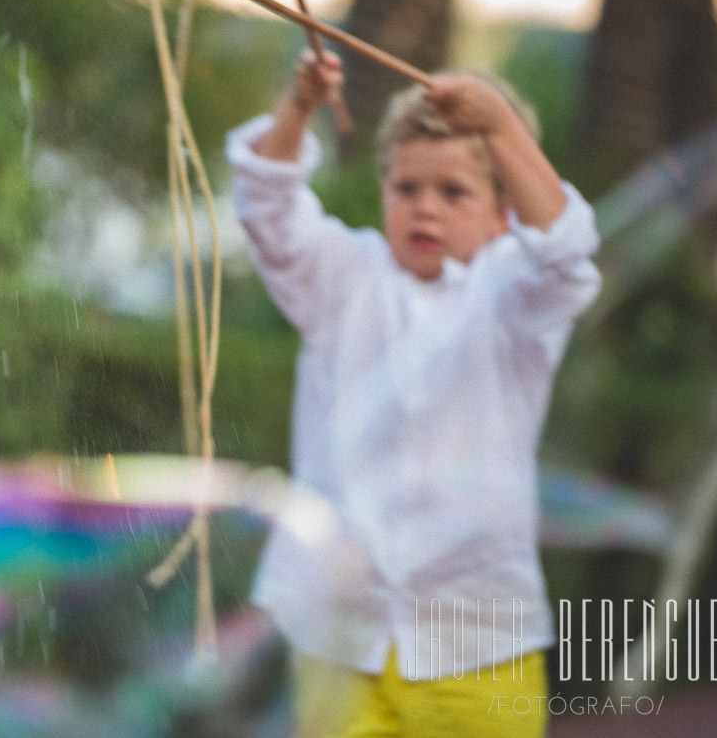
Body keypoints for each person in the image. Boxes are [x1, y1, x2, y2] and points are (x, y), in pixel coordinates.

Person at [224, 50, 602, 738]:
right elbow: (268, 209)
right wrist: (299, 104)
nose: (424, 207)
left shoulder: (515, 294)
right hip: (339, 638)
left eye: (453, 192)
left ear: (501, 213)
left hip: (481, 642)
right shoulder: (342, 276)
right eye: (406, 188)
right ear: (384, 191)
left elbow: (565, 253)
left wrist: (499, 127)